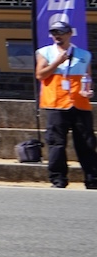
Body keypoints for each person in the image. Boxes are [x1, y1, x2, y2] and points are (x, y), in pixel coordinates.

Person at [33, 15, 96, 189]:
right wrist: (57, 62)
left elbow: (88, 77)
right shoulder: (45, 52)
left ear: (69, 34)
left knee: (87, 143)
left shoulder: (84, 55)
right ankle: (58, 179)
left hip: (80, 103)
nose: (57, 36)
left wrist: (89, 90)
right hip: (56, 103)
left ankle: (92, 179)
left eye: (60, 32)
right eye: (54, 33)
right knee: (56, 144)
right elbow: (40, 75)